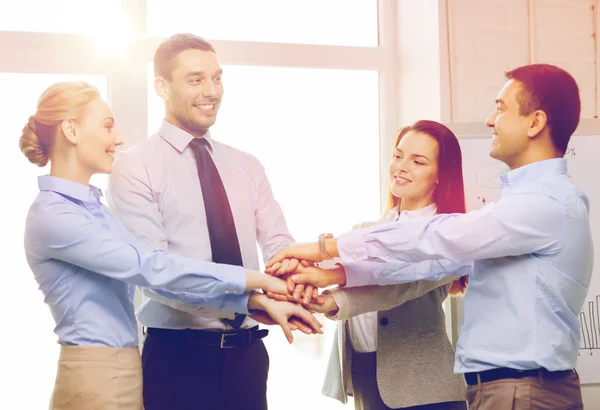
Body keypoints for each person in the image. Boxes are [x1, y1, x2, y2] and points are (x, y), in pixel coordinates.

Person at [266, 64, 592, 410]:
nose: (490, 120)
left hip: (519, 391)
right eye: (398, 156)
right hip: (498, 388)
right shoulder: (524, 203)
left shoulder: (542, 203)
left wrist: (323, 250)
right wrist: (332, 275)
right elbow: (415, 269)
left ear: (535, 122)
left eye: (500, 108)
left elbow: (430, 246)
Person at [20, 81, 320, 410]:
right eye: (107, 126)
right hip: (95, 375)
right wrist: (259, 281)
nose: (118, 138)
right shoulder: (54, 216)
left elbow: (163, 269)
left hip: (123, 367)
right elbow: (152, 268)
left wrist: (252, 301)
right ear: (71, 130)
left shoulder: (94, 209)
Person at [107, 33, 310, 410]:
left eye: (217, 78)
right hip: (178, 361)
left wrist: (300, 280)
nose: (212, 91)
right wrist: (249, 299)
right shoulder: (134, 167)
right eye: (196, 79)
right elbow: (158, 275)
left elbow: (279, 243)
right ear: (162, 87)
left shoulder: (245, 165)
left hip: (248, 358)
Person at [317, 120, 469, 410]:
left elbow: (395, 284)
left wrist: (328, 289)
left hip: (424, 387)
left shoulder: (445, 232)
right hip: (366, 376)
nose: (401, 167)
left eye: (418, 161)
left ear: (441, 175)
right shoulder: (365, 231)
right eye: (398, 155)